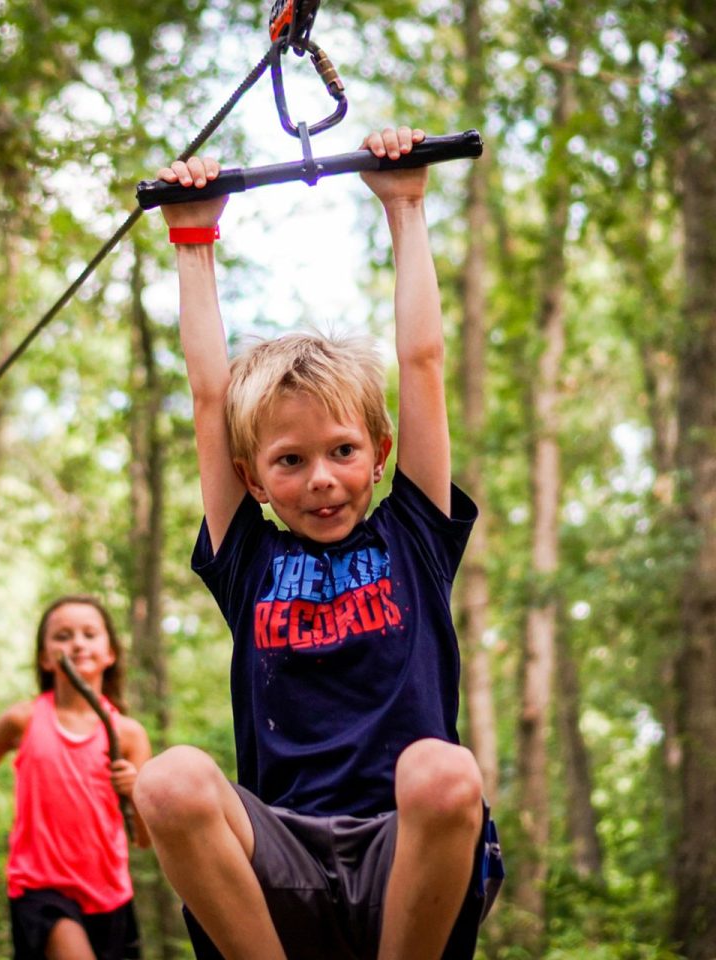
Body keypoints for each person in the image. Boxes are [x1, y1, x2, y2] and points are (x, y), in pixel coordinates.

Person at [132, 126, 502, 960]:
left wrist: (404, 207)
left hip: (400, 855)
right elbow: (207, 395)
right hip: (281, 858)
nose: (323, 478)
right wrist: (193, 236)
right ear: (254, 478)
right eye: (290, 462)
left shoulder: (414, 533)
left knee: (443, 772)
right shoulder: (250, 561)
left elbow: (424, 360)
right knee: (168, 780)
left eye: (341, 452)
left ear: (379, 452)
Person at [0, 595, 152, 960]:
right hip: (40, 892)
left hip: (111, 898)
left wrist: (136, 790)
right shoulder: (23, 720)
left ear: (110, 653)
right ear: (45, 657)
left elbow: (143, 839)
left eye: (89, 634)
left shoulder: (129, 734)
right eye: (63, 636)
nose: (77, 643)